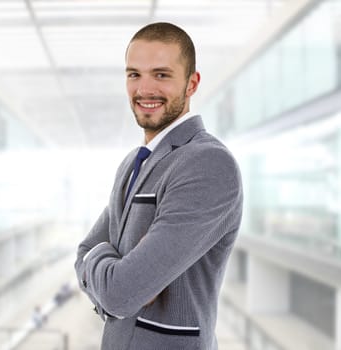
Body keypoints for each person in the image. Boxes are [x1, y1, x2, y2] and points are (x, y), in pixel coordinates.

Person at [74, 22, 243, 350]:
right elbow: (84, 252)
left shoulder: (208, 164)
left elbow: (121, 293)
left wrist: (114, 278)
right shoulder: (132, 164)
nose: (144, 89)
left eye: (161, 75)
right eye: (134, 74)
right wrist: (114, 273)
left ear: (192, 83)